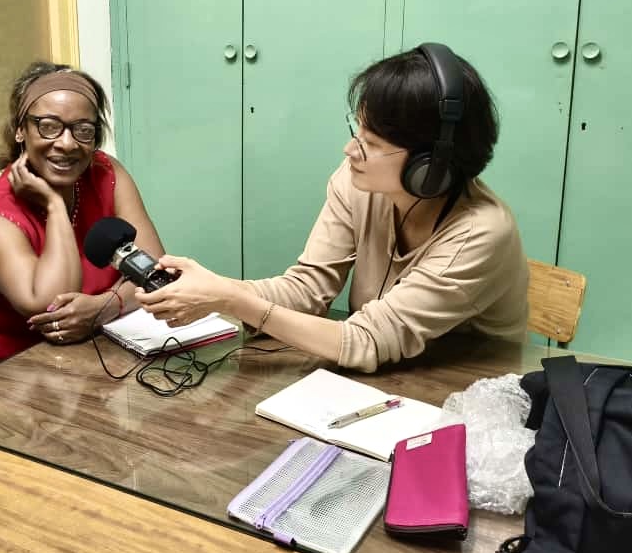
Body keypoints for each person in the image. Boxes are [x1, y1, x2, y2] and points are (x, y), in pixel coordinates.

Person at [137, 44, 528, 372]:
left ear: (430, 167)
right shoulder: (359, 182)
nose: (350, 149)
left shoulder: (481, 232)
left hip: (471, 392)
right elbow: (308, 289)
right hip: (385, 377)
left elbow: (366, 341)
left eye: (372, 143)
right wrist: (215, 288)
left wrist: (231, 299)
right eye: (358, 131)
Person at [0, 62, 163, 374]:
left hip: (99, 347)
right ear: (20, 130)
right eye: (49, 126)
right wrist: (55, 205)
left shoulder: (106, 173)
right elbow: (52, 305)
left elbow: (154, 269)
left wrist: (105, 308)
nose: (67, 144)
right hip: (10, 372)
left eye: (83, 130)